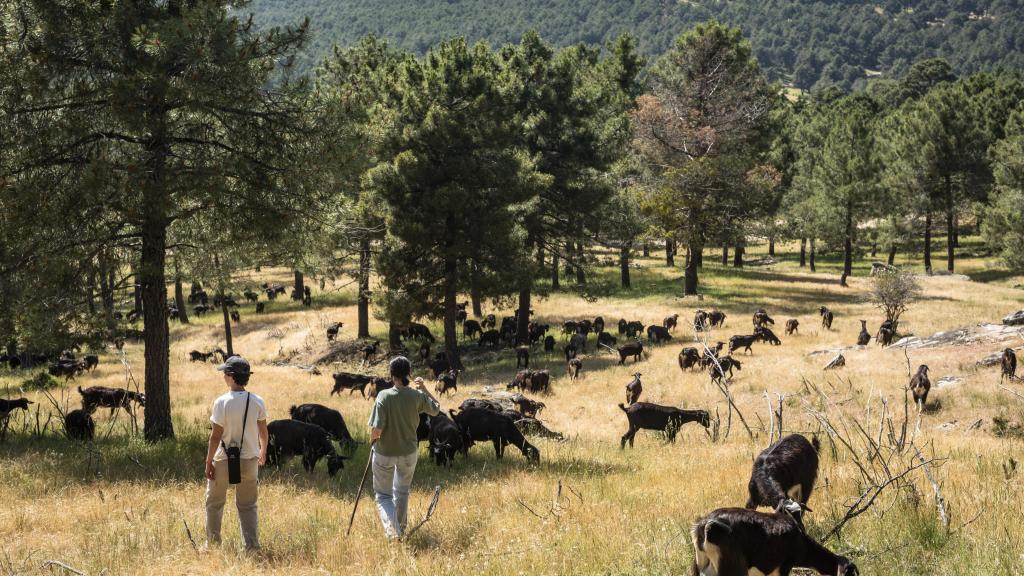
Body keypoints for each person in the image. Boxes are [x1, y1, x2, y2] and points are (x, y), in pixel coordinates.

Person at [367, 356, 441, 539]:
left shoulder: (384, 396)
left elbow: (376, 429)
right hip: (409, 453)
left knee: (383, 496)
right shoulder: (416, 396)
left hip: (385, 453)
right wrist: (424, 388)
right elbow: (436, 409)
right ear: (409, 373)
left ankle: (394, 534)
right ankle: (401, 530)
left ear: (392, 375)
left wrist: (372, 443)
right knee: (401, 492)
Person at [204, 355, 268, 551]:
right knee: (248, 505)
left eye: (225, 373)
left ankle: (213, 545)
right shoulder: (257, 401)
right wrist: (263, 452)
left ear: (231, 376)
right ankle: (252, 547)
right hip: (250, 459)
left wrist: (208, 462)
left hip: (223, 460)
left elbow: (215, 437)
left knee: (214, 503)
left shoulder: (221, 402)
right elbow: (264, 432)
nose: (223, 376)